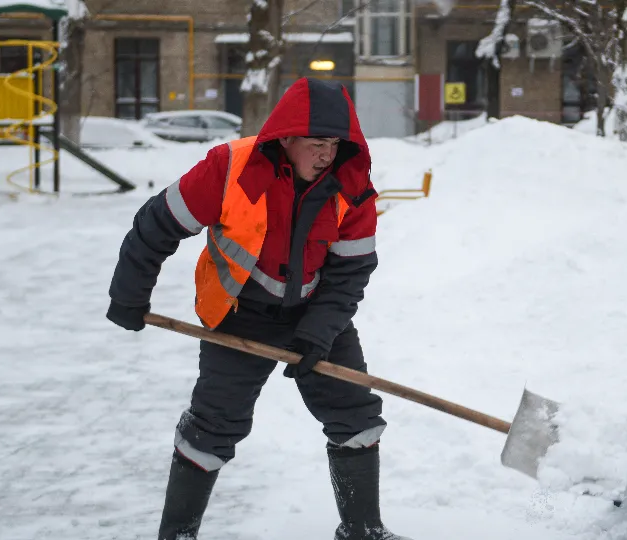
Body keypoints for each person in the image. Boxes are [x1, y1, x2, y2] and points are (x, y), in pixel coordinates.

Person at [105, 77, 410, 540]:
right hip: (238, 314)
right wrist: (129, 294)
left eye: (334, 143)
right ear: (286, 137)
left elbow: (351, 272)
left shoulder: (351, 184)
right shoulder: (230, 169)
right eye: (316, 143)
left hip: (313, 313)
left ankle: (362, 530)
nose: (327, 154)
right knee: (212, 427)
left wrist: (319, 334)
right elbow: (156, 225)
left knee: (357, 418)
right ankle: (177, 535)